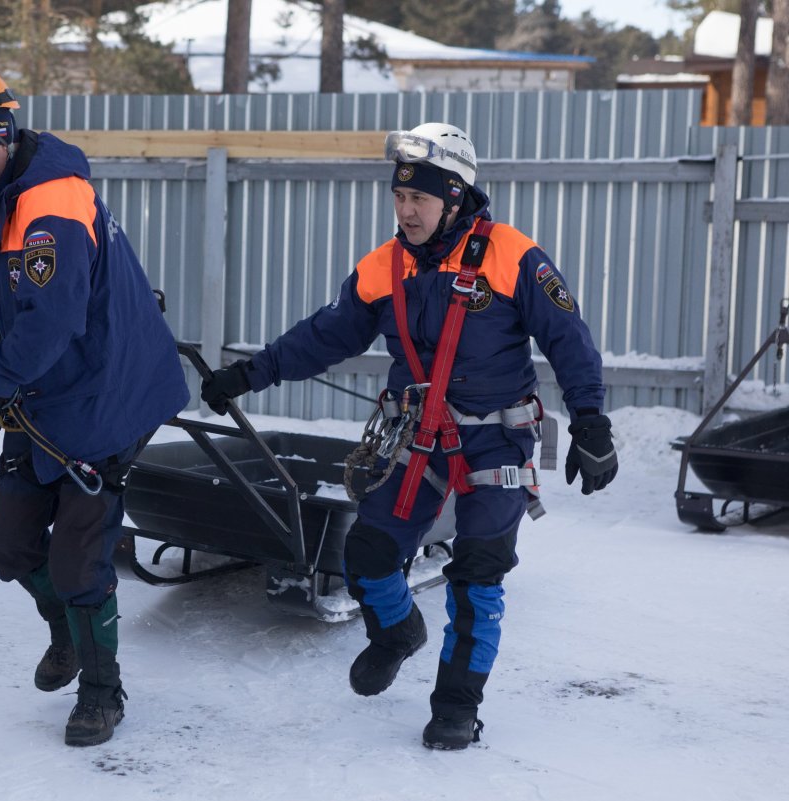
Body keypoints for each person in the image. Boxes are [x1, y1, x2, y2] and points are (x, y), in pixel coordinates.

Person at [201, 122, 618, 750]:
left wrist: (590, 420)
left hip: (496, 442)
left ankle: (456, 706)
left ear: (454, 197)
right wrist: (249, 374)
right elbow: (324, 335)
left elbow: (569, 338)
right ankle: (396, 632)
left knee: (478, 575)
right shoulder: (384, 267)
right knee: (367, 555)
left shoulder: (511, 256)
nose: (406, 210)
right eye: (399, 197)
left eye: (419, 198)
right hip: (416, 438)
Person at [0, 68, 189, 747]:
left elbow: (53, 318)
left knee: (78, 560)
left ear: (1, 135)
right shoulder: (10, 192)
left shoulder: (50, 202)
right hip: (47, 394)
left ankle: (102, 690)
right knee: (7, 542)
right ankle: (67, 630)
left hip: (105, 394)